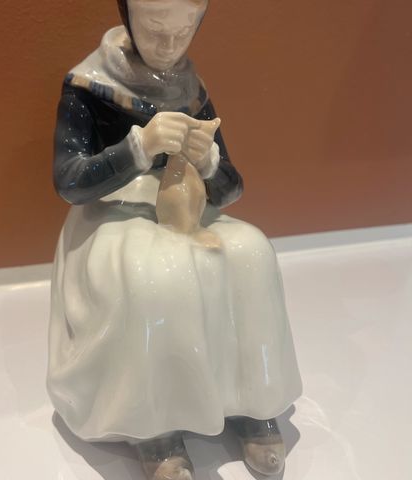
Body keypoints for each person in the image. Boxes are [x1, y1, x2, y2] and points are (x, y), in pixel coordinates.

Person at [47, 1, 302, 479]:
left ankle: (251, 400)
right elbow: (70, 181)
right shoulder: (88, 86)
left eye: (183, 32)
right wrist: (137, 149)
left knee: (252, 253)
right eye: (155, 29)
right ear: (129, 18)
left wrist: (208, 162)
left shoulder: (190, 88)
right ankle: (154, 424)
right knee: (154, 276)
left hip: (188, 210)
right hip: (115, 213)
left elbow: (230, 189)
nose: (169, 45)